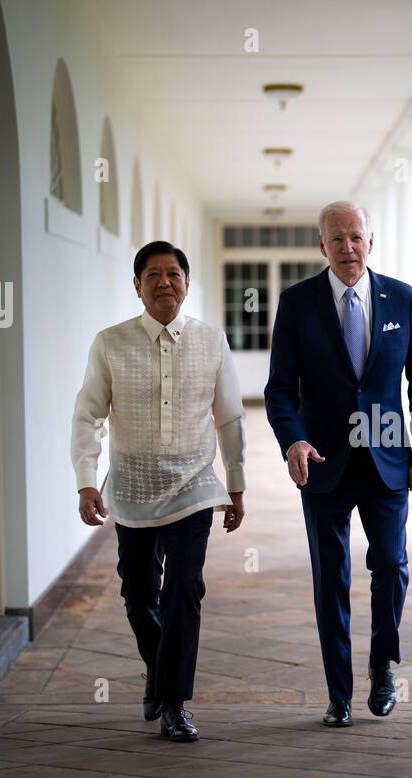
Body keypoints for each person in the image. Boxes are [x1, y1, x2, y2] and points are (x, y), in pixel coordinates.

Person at [265, 201, 412, 727]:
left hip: (388, 460)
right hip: (322, 462)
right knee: (331, 578)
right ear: (322, 246)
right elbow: (278, 390)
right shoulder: (298, 304)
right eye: (337, 239)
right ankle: (338, 694)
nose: (348, 248)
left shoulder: (401, 298)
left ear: (371, 241)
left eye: (356, 237)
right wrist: (293, 441)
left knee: (391, 563)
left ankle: (382, 662)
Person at [71, 241, 246, 742]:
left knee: (185, 590)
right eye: (153, 275)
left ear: (187, 283)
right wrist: (87, 479)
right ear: (137, 286)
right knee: (138, 591)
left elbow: (229, 417)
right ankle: (159, 665)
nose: (164, 283)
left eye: (174, 274)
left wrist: (236, 485)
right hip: (132, 487)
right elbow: (88, 415)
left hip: (194, 486)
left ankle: (173, 702)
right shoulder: (110, 343)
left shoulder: (212, 341)